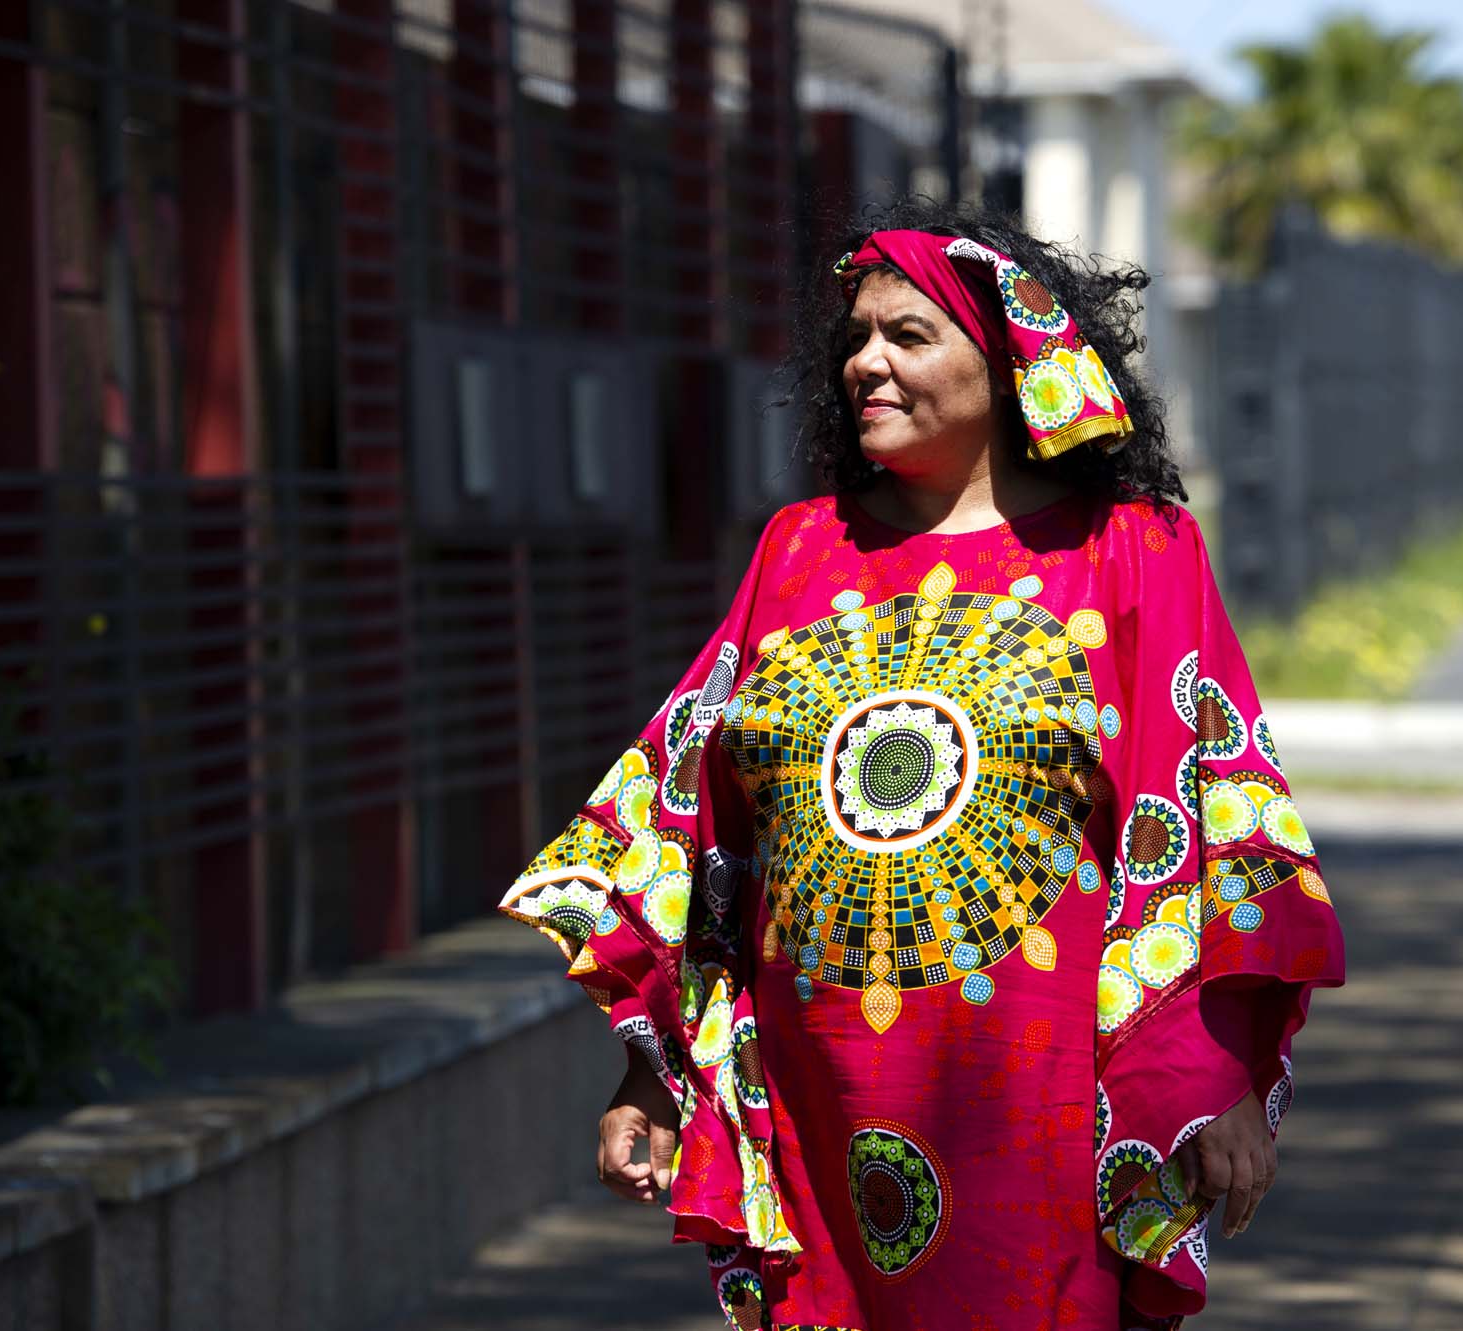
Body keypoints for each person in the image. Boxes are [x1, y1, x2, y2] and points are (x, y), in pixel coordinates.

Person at [499, 198, 1346, 1331]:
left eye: (907, 334)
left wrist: (1207, 1075)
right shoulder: (798, 550)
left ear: (1006, 359)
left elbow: (1201, 831)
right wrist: (655, 1073)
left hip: (1037, 1112)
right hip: (818, 1106)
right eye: (853, 338)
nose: (865, 362)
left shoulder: (1130, 552)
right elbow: (694, 831)